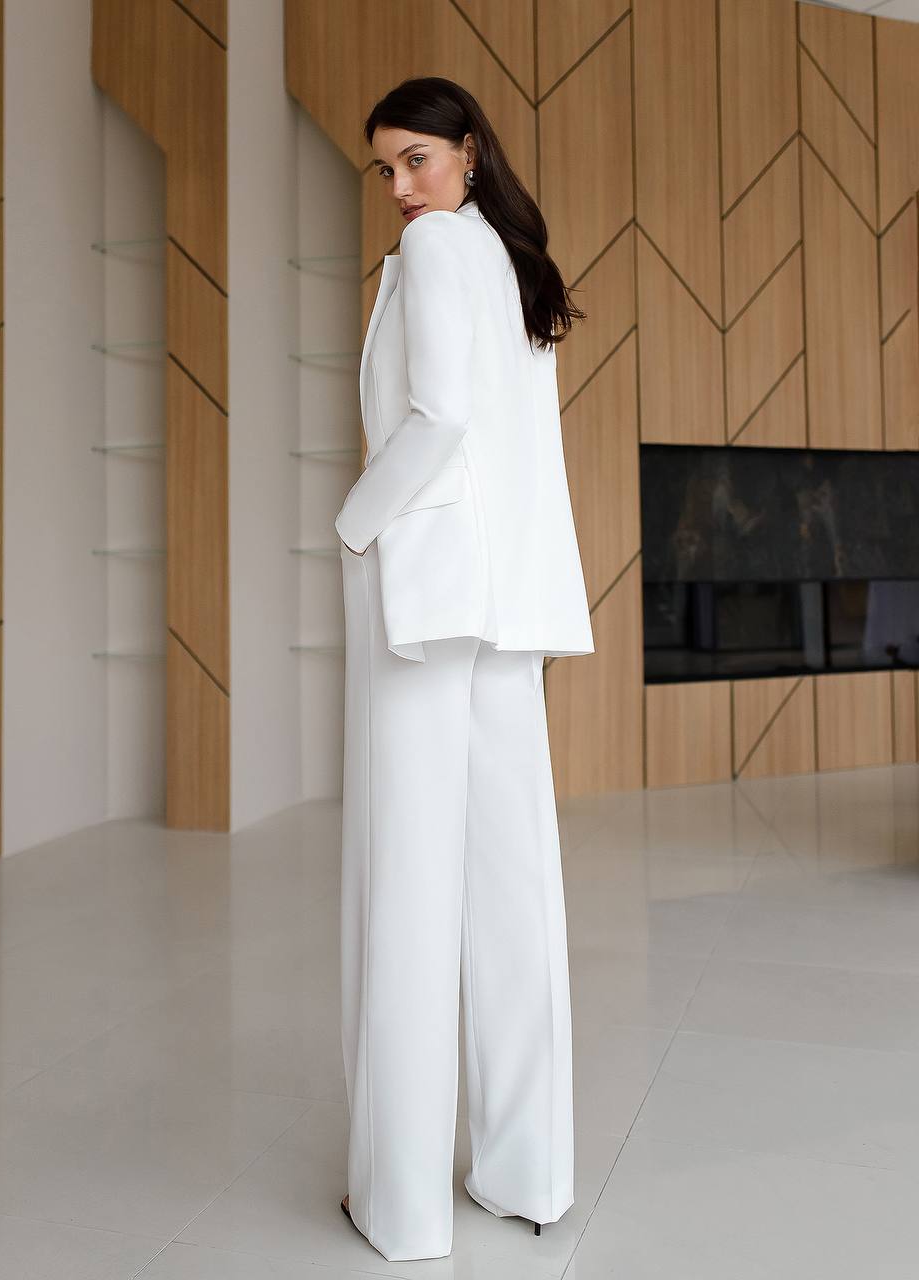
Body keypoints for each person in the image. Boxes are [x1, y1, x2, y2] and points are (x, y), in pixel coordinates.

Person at [334, 75, 595, 1263]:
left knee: (409, 885)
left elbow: (433, 418)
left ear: (467, 152)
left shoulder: (435, 251)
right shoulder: (511, 263)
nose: (399, 189)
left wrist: (354, 520)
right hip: (506, 606)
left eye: (415, 161)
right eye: (383, 170)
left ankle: (401, 1202)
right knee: (511, 888)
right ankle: (524, 1167)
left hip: (426, 599)